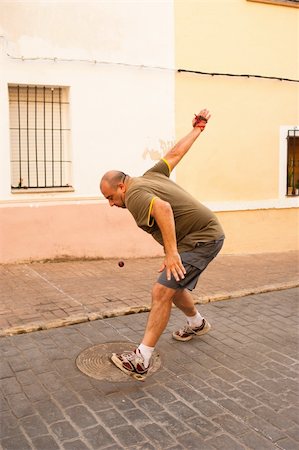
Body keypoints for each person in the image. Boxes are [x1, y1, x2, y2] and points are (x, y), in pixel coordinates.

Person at [100, 109, 225, 381]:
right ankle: (197, 323)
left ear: (121, 186)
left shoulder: (133, 195)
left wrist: (171, 253)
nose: (111, 204)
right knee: (173, 286)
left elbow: (164, 209)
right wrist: (197, 129)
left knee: (161, 291)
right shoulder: (150, 175)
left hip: (202, 238)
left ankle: (141, 359)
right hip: (198, 236)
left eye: (110, 197)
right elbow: (175, 154)